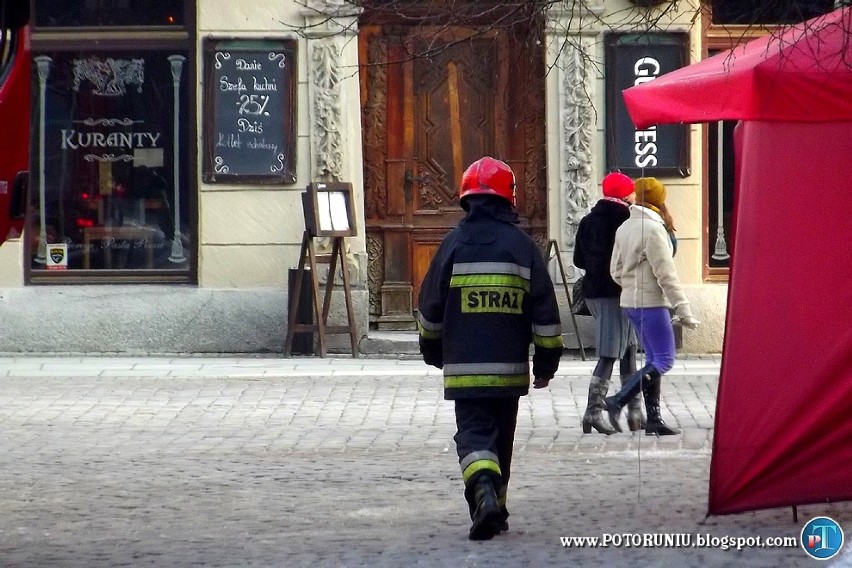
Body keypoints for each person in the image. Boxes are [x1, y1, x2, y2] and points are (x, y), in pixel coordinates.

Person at [418, 156, 563, 541]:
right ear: (508, 198)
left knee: (475, 436)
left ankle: (483, 494)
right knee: (501, 440)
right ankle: (495, 505)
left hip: (464, 368)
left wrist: (432, 349)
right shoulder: (522, 246)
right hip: (509, 370)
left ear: (466, 198)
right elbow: (545, 312)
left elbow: (430, 306)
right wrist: (546, 363)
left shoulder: (453, 243)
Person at [604, 177, 700, 436]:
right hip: (652, 303)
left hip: (631, 303)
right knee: (665, 360)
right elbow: (666, 275)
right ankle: (618, 400)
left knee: (653, 359)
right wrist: (684, 309)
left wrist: (632, 285)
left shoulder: (625, 227)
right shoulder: (654, 230)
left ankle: (654, 418)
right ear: (659, 199)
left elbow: (615, 270)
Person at [573, 172, 643, 435]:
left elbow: (579, 260)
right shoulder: (627, 220)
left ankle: (635, 411)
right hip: (617, 293)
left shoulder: (588, 220)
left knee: (628, 349)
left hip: (596, 292)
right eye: (632, 191)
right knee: (611, 352)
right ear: (625, 194)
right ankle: (593, 412)